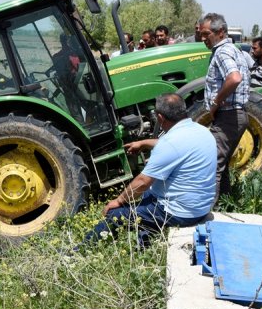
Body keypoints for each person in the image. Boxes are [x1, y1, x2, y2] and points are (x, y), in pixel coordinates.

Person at [83, 93, 216, 248]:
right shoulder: (202, 131)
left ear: (160, 118)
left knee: (116, 214)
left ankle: (79, 250)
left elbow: (143, 181)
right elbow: (176, 147)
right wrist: (143, 143)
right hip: (201, 206)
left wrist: (118, 201)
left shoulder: (170, 144)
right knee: (146, 196)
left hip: (180, 213)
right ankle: (144, 245)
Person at [200, 13, 250, 199]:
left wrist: (215, 103)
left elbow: (234, 78)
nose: (203, 39)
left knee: (212, 164)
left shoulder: (222, 52)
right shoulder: (235, 50)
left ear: (220, 32)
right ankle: (225, 202)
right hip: (233, 115)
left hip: (228, 115)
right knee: (222, 164)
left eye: (206, 34)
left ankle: (207, 213)